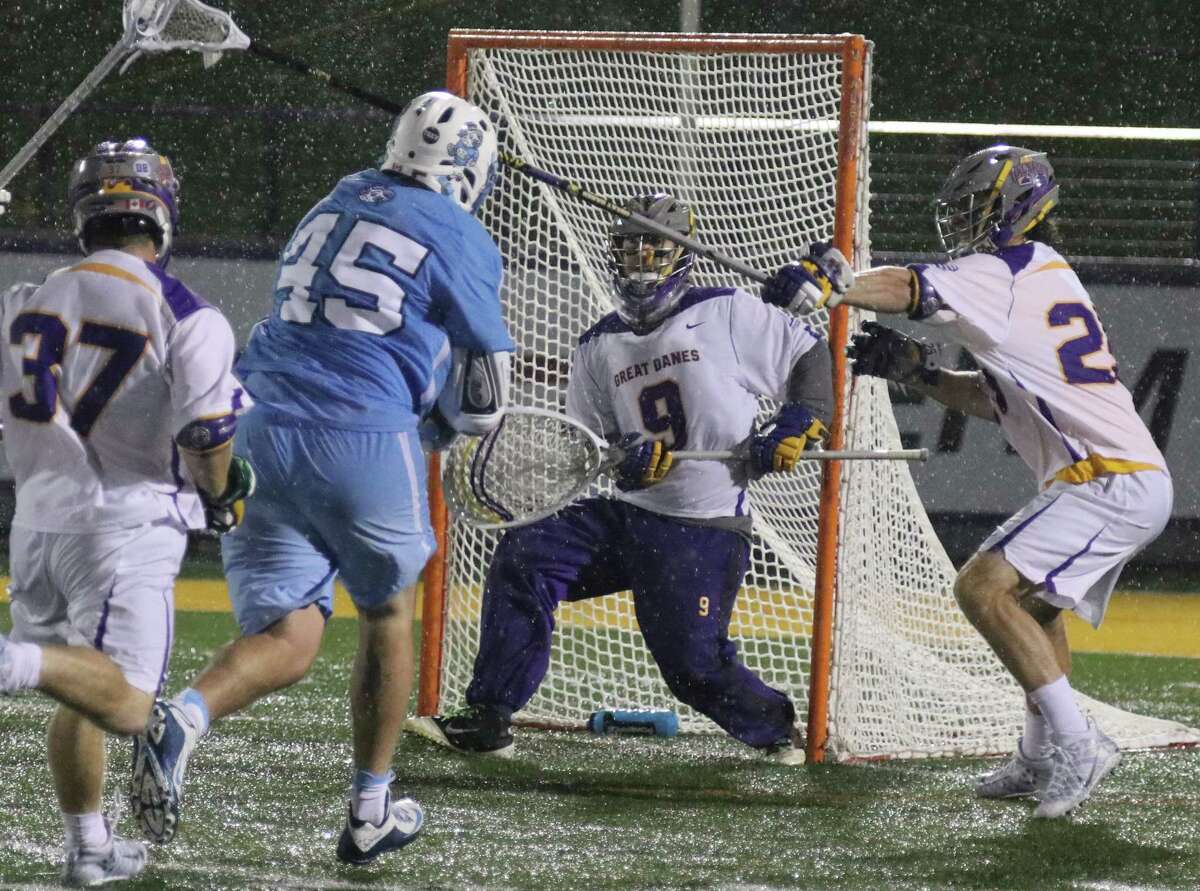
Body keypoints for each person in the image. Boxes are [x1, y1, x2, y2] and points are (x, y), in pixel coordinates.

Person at [129, 91, 515, 864]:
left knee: (291, 634)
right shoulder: (460, 231)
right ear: (469, 168)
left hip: (260, 427)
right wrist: (440, 423)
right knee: (386, 614)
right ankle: (371, 808)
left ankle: (187, 715)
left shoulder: (330, 199)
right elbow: (485, 399)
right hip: (360, 430)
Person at [764, 144, 1171, 818]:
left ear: (1016, 207)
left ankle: (1078, 742)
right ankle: (1043, 751)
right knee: (1036, 608)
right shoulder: (1040, 275)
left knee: (980, 586)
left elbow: (910, 285)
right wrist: (917, 373)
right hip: (1117, 477)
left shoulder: (1006, 268)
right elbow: (990, 400)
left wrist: (838, 283)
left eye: (977, 207)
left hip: (1108, 478)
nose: (964, 222)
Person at [404, 193, 847, 764]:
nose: (639, 260)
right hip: (626, 516)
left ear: (681, 253)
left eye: (652, 249)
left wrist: (798, 424)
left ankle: (777, 729)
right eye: (628, 249)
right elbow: (591, 450)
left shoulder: (728, 310)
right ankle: (489, 715)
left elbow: (809, 355)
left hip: (701, 528)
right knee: (526, 554)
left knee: (691, 668)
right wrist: (628, 464)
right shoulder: (597, 345)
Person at [0, 138, 250, 886]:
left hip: (36, 522)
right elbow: (207, 432)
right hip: (125, 524)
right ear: (161, 214)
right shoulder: (186, 314)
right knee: (134, 702)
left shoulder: (27, 301)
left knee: (80, 681)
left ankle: (88, 847)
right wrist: (219, 494)